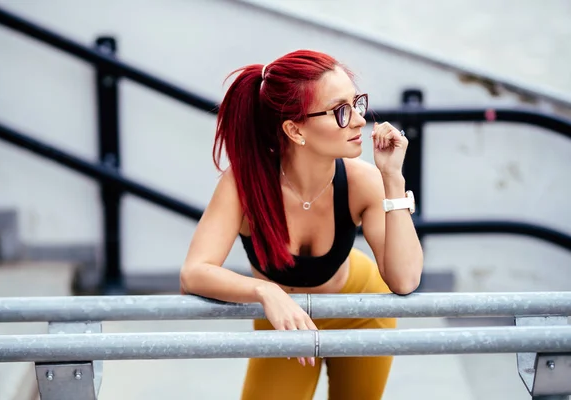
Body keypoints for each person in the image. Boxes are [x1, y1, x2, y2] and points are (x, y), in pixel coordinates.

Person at [180, 49, 424, 400]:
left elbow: (404, 280)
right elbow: (194, 272)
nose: (359, 120)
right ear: (295, 130)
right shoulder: (244, 184)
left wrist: (393, 178)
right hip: (284, 321)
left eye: (357, 104)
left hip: (358, 311)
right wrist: (266, 292)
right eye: (341, 111)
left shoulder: (363, 181)